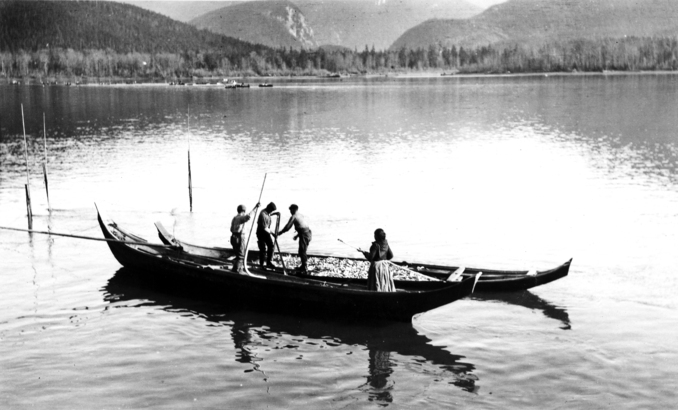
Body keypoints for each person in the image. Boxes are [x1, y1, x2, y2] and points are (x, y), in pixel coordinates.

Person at [276, 204, 312, 274]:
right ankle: (303, 265)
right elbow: (303, 227)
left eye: (290, 210)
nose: (290, 211)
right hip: (307, 233)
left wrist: (279, 233)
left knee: (302, 251)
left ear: (293, 210)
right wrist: (297, 235)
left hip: (305, 234)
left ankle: (305, 267)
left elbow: (287, 227)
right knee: (302, 250)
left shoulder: (294, 216)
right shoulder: (300, 215)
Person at [230, 202, 259, 274]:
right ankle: (239, 270)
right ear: (243, 211)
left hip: (233, 237)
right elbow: (248, 217)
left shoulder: (235, 218)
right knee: (241, 255)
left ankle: (235, 268)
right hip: (239, 237)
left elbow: (231, 229)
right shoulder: (240, 217)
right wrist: (255, 208)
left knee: (237, 254)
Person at [257, 202, 277, 269]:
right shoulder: (263, 214)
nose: (271, 212)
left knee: (271, 246)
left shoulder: (268, 213)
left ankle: (269, 262)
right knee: (263, 249)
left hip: (266, 232)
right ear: (268, 208)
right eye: (271, 210)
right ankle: (261, 265)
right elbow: (264, 227)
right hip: (261, 232)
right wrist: (273, 233)